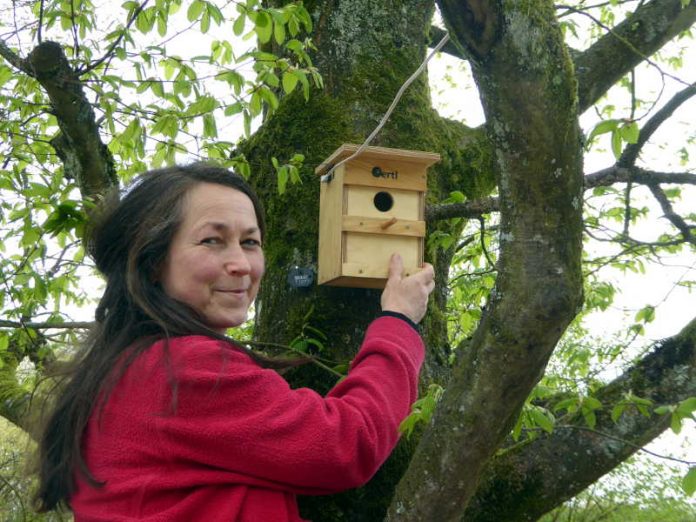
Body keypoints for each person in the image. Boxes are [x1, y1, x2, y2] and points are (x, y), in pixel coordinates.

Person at [34, 163, 435, 521]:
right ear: (154, 261)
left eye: (250, 242)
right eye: (212, 241)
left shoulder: (124, 365)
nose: (241, 264)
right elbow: (346, 445)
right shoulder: (183, 368)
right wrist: (398, 322)